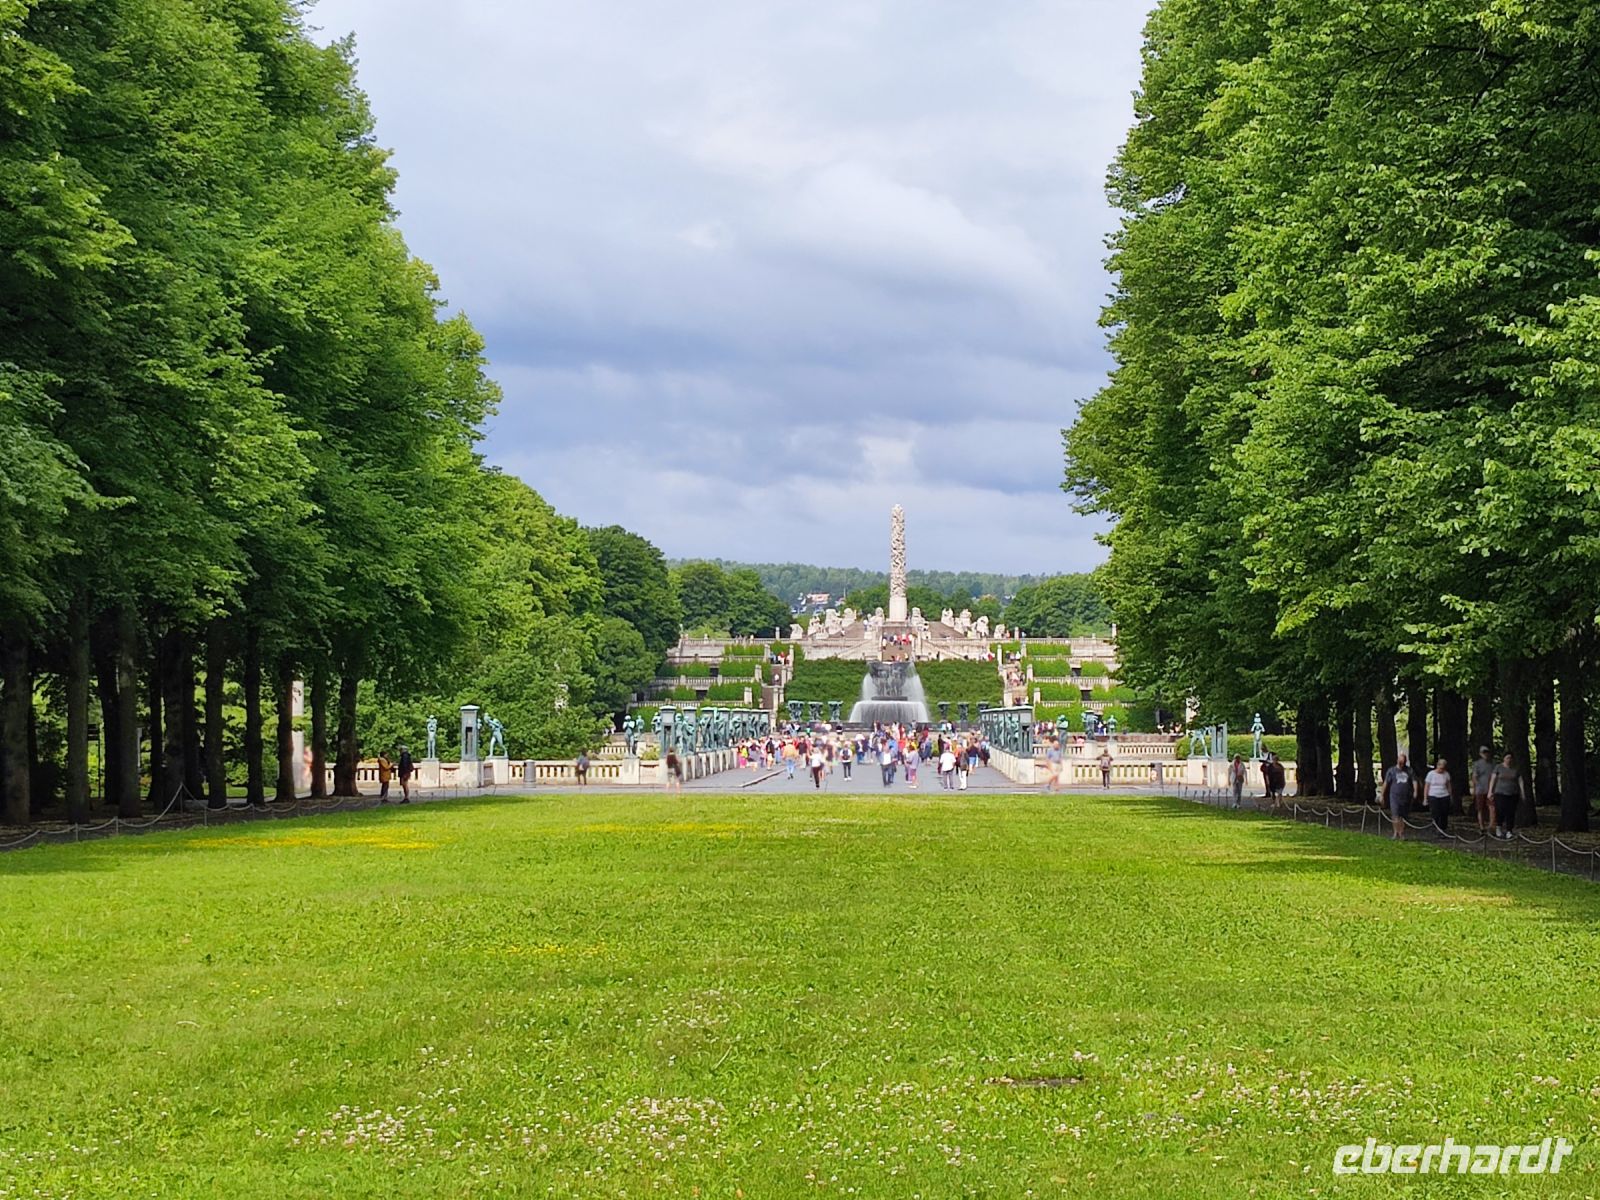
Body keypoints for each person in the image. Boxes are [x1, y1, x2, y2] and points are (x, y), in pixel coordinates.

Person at [1489, 753, 1526, 840]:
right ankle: (1499, 827)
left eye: (1510, 758)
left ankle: (1509, 830)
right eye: (1507, 758)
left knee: (1511, 812)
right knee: (1500, 810)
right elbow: (1493, 779)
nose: (1509, 760)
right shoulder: (1498, 767)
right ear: (1504, 759)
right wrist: (1490, 791)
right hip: (1500, 793)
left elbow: (1520, 780)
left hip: (1513, 793)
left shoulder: (1515, 769)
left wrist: (1522, 792)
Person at [1382, 753, 1418, 839]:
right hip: (1394, 795)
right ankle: (1395, 832)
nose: (1402, 764)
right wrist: (1382, 795)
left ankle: (1401, 832)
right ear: (1397, 761)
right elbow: (1386, 783)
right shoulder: (1391, 771)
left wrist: (1415, 791)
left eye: (1404, 762)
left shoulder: (1409, 770)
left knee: (1403, 815)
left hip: (1406, 796)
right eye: (1400, 762)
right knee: (1395, 814)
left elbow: (1414, 781)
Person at [1423, 757, 1453, 832]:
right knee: (1436, 812)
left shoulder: (1446, 774)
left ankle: (1443, 829)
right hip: (1433, 795)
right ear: (1437, 765)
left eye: (1443, 768)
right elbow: (1427, 786)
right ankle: (1436, 827)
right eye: (1440, 768)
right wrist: (1425, 798)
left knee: (1444, 813)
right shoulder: (1431, 774)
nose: (1441, 770)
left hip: (1444, 795)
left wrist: (1450, 795)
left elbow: (1448, 785)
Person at [1471, 746, 1495, 830]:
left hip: (1490, 790)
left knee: (1491, 807)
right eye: (1483, 752)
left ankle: (1491, 826)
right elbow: (1474, 777)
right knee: (1480, 808)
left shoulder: (1492, 764)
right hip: (1480, 790)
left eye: (1487, 752)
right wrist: (1476, 787)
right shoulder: (1477, 764)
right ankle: (1481, 826)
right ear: (1480, 754)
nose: (1486, 754)